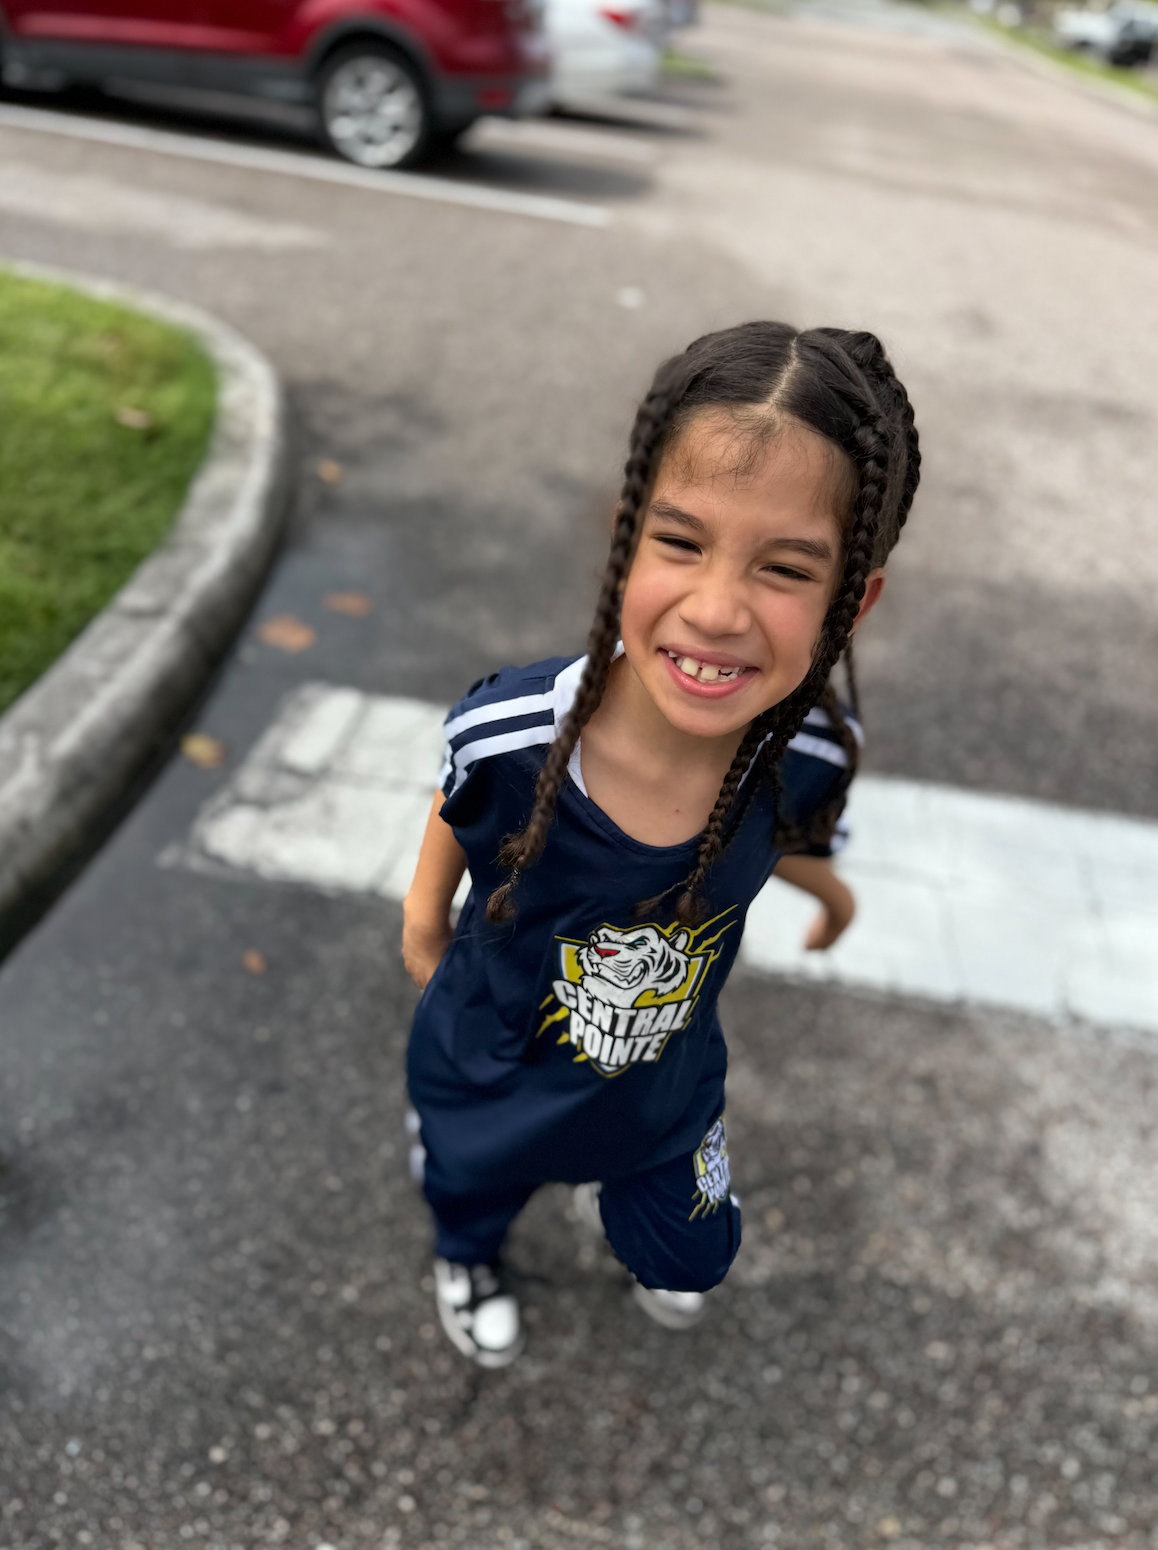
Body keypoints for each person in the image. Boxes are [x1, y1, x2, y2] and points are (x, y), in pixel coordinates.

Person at [402, 321, 920, 1366]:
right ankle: (467, 1255)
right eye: (681, 542)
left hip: (659, 1073)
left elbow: (784, 838)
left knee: (690, 1254)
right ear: (626, 533)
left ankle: (607, 1174)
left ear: (852, 600)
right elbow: (455, 810)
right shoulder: (511, 736)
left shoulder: (809, 751)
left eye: (785, 568)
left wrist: (832, 895)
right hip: (500, 1055)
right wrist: (422, 930)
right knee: (471, 1185)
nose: (717, 609)